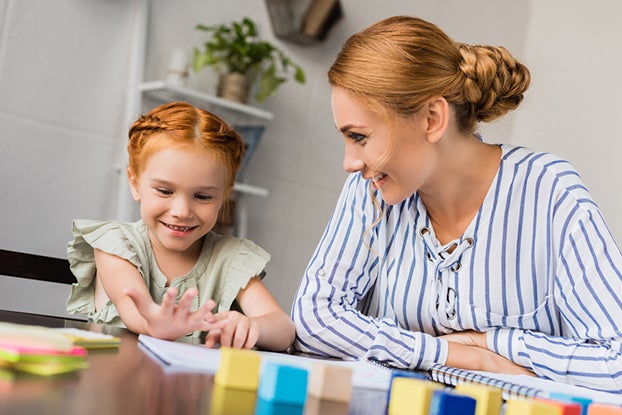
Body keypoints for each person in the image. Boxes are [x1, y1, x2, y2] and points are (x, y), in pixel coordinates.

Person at [291, 15, 622, 392]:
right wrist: (448, 355)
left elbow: (617, 363)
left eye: (360, 137)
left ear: (432, 118)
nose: (350, 162)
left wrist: (490, 343)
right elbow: (314, 319)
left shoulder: (550, 192)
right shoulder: (370, 190)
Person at [67, 101, 295, 351]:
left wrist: (251, 326)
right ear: (134, 182)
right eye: (165, 191)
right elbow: (133, 306)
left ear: (224, 195)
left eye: (203, 196)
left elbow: (283, 329)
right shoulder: (115, 244)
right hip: (116, 385)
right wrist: (152, 322)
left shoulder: (230, 258)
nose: (182, 212)